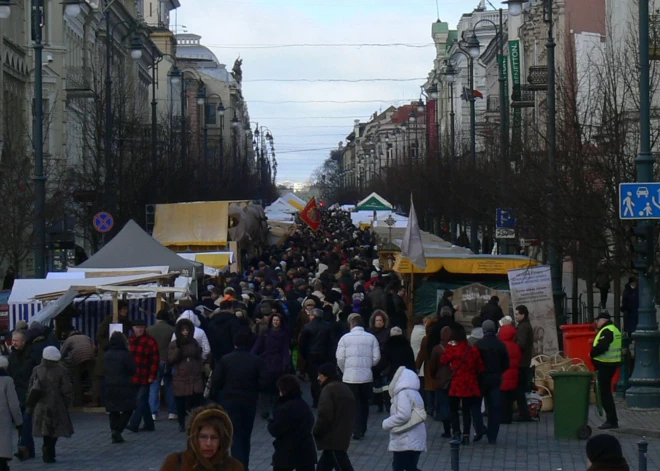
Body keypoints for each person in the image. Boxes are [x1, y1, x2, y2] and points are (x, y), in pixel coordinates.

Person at [211, 331, 268, 471]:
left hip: (230, 401)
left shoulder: (226, 359)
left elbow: (217, 381)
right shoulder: (257, 361)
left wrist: (215, 397)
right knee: (246, 434)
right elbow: (264, 383)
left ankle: (238, 466)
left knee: (234, 434)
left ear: (235, 344)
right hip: (249, 401)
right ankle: (244, 465)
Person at [159, 403, 244, 471]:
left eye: (214, 437)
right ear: (194, 437)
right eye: (203, 437)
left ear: (222, 440)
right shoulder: (176, 463)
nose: (208, 443)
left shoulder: (234, 467)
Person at [336, 313, 380, 440]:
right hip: (366, 376)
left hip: (350, 377)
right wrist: (367, 365)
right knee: (364, 403)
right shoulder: (371, 338)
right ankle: (361, 428)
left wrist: (345, 370)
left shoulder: (344, 338)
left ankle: (353, 428)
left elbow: (340, 358)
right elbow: (376, 357)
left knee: (351, 403)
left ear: (351, 324)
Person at [26, 346, 74, 463]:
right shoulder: (61, 370)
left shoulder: (37, 369)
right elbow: (66, 389)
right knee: (55, 429)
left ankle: (46, 448)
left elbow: (31, 387)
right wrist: (67, 403)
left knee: (45, 429)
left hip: (40, 404)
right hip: (57, 404)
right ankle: (49, 450)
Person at [440, 324, 484, 444]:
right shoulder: (472, 349)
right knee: (466, 410)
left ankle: (456, 433)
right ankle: (466, 434)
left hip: (456, 383)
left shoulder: (453, 349)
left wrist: (449, 346)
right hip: (470, 383)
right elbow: (480, 367)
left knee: (453, 409)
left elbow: (443, 360)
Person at [267, 375, 317, 471]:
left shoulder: (285, 408)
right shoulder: (303, 405)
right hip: (306, 451)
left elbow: (275, 430)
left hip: (287, 452)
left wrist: (270, 423)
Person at [382, 366, 427, 471]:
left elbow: (403, 415)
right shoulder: (415, 393)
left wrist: (387, 423)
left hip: (405, 439)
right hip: (415, 438)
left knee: (399, 467)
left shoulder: (403, 393)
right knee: (411, 467)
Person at [313, 363, 356, 471]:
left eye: (320, 375)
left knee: (342, 465)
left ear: (326, 376)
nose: (318, 378)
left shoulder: (328, 389)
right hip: (342, 433)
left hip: (333, 437)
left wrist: (316, 431)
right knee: (324, 466)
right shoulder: (343, 387)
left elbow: (325, 414)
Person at [474, 320, 509, 444]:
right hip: (495, 379)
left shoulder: (478, 344)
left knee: (476, 406)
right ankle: (492, 435)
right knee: (494, 408)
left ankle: (479, 428)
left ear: (483, 330)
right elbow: (506, 364)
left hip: (480, 379)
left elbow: (474, 363)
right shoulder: (501, 345)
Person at [251, 313, 291, 419]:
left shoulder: (284, 334)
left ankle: (275, 410)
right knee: (265, 389)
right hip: (266, 362)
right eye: (274, 320)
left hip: (278, 364)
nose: (276, 322)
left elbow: (285, 350)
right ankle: (265, 410)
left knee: (275, 389)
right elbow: (257, 347)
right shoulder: (265, 333)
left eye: (277, 320)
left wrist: (285, 364)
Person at [169, 318, 205, 432]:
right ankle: (181, 422)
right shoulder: (175, 344)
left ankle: (195, 421)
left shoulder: (194, 342)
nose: (185, 332)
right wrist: (178, 350)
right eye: (183, 330)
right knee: (180, 401)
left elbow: (199, 356)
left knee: (196, 400)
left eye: (187, 330)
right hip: (181, 375)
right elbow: (171, 359)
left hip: (195, 374)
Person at [94, 301, 132, 407]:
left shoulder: (125, 321)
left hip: (117, 354)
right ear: (119, 310)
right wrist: (110, 345)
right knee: (104, 379)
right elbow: (99, 335)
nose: (126, 311)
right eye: (124, 309)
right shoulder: (109, 320)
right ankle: (103, 402)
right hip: (107, 353)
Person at [126, 318, 160, 433]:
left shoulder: (150, 341)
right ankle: (149, 424)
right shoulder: (129, 341)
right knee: (143, 401)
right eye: (137, 327)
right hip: (133, 376)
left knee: (140, 400)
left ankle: (134, 424)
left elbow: (154, 360)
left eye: (141, 327)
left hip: (145, 375)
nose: (139, 330)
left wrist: (152, 375)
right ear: (133, 328)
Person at [103, 332, 137, 444]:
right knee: (129, 408)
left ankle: (114, 431)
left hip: (109, 385)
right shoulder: (125, 354)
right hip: (124, 385)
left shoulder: (106, 354)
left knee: (113, 410)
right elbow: (133, 369)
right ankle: (118, 430)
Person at [590, 311, 622, 430]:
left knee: (604, 393)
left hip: (605, 365)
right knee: (603, 392)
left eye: (597, 321)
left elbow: (602, 346)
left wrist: (592, 353)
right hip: (610, 365)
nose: (596, 323)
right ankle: (611, 419)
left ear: (603, 320)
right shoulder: (614, 329)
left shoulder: (607, 330)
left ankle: (611, 420)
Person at [7, 330, 35, 461]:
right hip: (16, 394)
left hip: (29, 394)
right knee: (21, 424)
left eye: (16, 341)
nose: (14, 343)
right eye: (13, 341)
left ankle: (24, 448)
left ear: (23, 341)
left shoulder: (31, 355)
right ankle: (27, 450)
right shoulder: (11, 356)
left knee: (26, 422)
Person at [298, 307, 333, 408]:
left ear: (313, 315)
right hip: (324, 356)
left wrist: (305, 356)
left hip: (311, 356)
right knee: (325, 378)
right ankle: (325, 399)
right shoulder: (327, 326)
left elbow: (302, 344)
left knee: (314, 380)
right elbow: (331, 342)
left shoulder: (307, 327)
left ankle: (316, 401)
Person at [147, 309, 177, 421]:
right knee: (169, 386)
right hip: (168, 361)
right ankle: (172, 412)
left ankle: (153, 412)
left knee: (154, 387)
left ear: (157, 318)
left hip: (154, 361)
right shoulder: (172, 330)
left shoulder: (149, 329)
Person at [59, 329, 95, 407]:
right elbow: (93, 347)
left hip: (78, 358)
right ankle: (95, 400)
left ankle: (78, 401)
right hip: (91, 356)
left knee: (77, 379)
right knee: (93, 379)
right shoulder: (86, 337)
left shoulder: (69, 339)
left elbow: (62, 353)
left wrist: (62, 360)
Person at [428, 326, 453, 437]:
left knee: (443, 404)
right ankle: (455, 428)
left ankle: (446, 429)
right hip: (453, 379)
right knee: (452, 405)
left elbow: (432, 366)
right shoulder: (455, 347)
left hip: (441, 380)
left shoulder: (437, 349)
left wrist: (434, 376)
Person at [0, 355, 22, 471]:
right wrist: (19, 422)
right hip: (3, 418)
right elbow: (13, 404)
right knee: (2, 446)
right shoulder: (7, 381)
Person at [497, 321, 521, 424]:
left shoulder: (500, 345)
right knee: (509, 398)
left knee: (501, 398)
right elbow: (519, 358)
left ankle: (501, 417)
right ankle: (508, 417)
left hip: (502, 375)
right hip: (513, 376)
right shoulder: (515, 346)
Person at [514, 305, 533, 421]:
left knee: (520, 389)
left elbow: (521, 344)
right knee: (521, 389)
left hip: (522, 361)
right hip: (524, 361)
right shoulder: (524, 325)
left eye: (517, 314)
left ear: (523, 315)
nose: (515, 316)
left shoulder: (523, 327)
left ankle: (524, 413)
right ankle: (523, 412)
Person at [369, 310, 390, 413]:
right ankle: (379, 405)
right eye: (377, 320)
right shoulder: (370, 333)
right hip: (374, 362)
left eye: (380, 320)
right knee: (376, 386)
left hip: (385, 361)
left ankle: (387, 404)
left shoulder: (387, 332)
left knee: (385, 385)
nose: (378, 322)